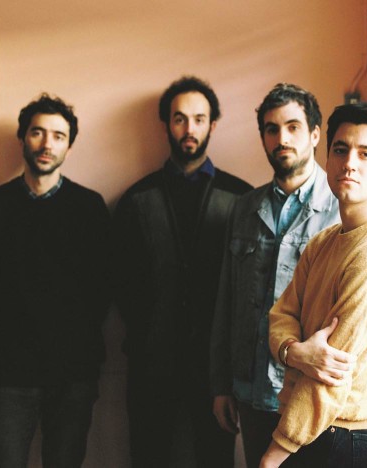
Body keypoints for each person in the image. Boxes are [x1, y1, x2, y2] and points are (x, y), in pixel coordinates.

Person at [261, 103, 367, 468]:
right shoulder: (326, 241)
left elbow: (331, 377)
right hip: (316, 427)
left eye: (366, 154)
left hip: (345, 437)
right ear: (328, 157)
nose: (349, 163)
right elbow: (281, 315)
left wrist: (275, 454)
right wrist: (293, 351)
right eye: (340, 149)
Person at [210, 83, 357, 468]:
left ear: (314, 134)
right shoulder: (245, 207)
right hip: (252, 391)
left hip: (312, 396)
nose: (282, 139)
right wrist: (221, 385)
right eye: (272, 130)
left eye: (293, 127)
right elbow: (227, 299)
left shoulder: (342, 208)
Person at [0, 93, 111, 468]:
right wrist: (12, 337)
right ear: (22, 138)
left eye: (58, 136)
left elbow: (104, 287)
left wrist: (74, 340)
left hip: (74, 371)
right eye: (38, 132)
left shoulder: (90, 207)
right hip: (13, 370)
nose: (47, 144)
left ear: (69, 146)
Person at [113, 76, 252, 468]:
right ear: (166, 125)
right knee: (148, 457)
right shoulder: (136, 199)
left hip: (217, 368)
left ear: (212, 125)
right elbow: (120, 278)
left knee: (215, 459)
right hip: (151, 362)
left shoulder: (241, 197)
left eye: (199, 119)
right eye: (179, 119)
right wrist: (144, 331)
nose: (189, 128)